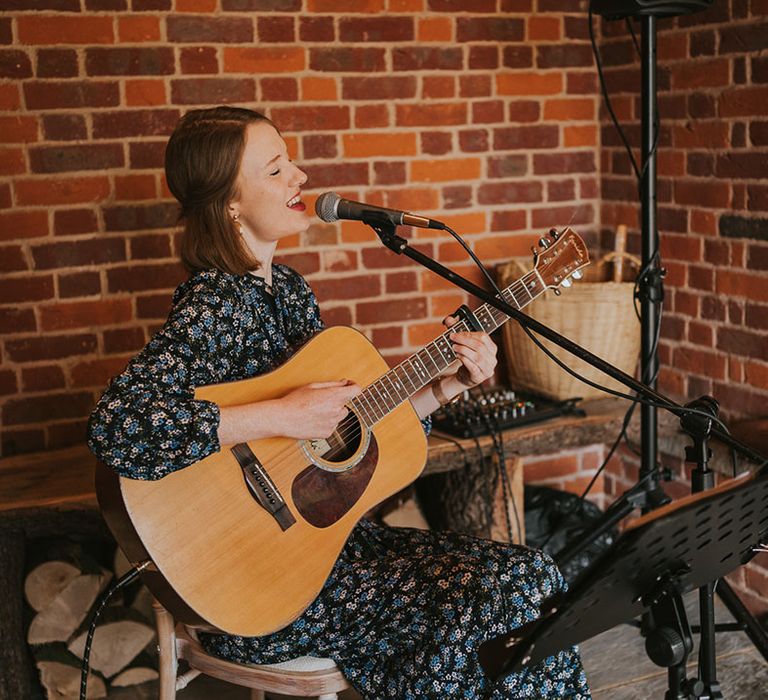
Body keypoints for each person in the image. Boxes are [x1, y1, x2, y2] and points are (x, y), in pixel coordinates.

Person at [87, 106, 590, 699]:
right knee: (495, 600)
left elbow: (341, 440)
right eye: (276, 170)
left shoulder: (291, 293)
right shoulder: (214, 302)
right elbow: (117, 426)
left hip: (330, 554)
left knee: (532, 576)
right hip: (258, 585)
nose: (300, 177)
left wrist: (445, 386)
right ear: (230, 204)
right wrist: (281, 414)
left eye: (291, 162)